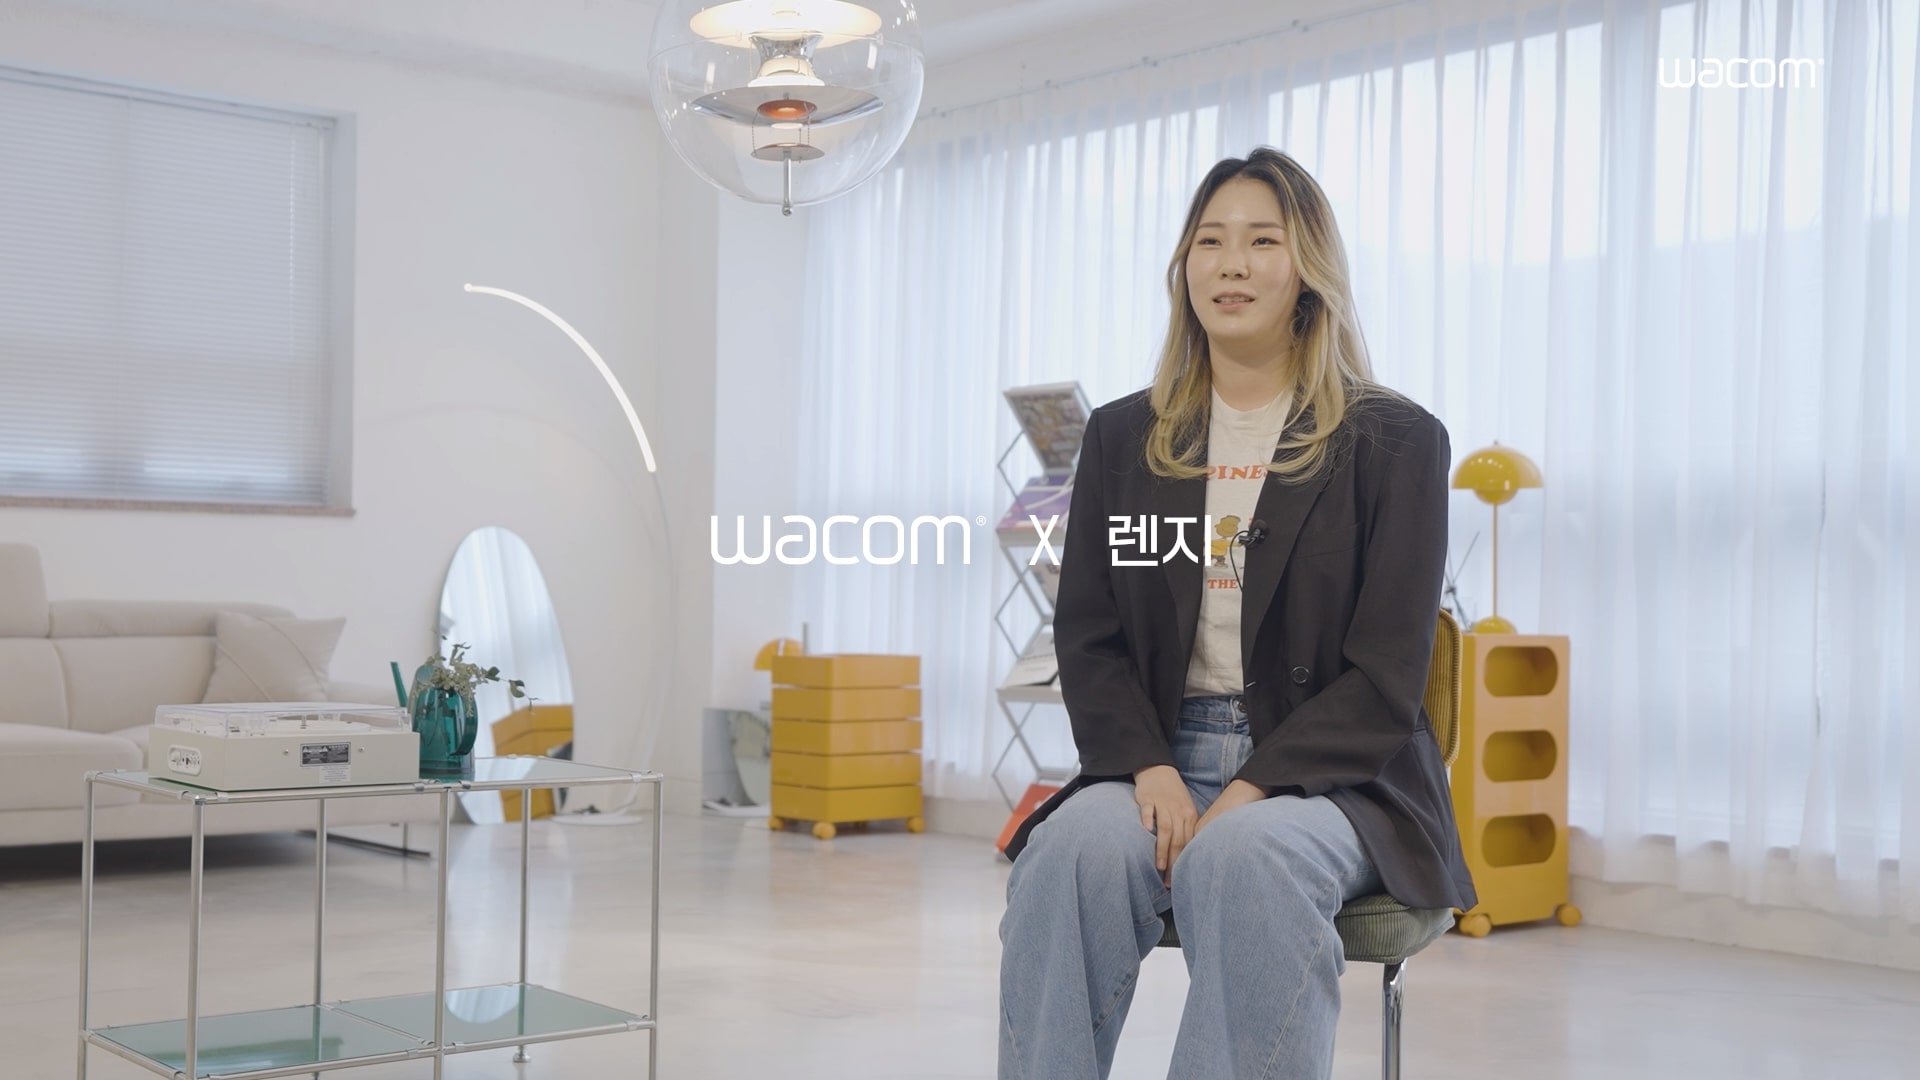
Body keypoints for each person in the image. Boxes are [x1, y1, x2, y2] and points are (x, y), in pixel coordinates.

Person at [997, 147, 1478, 1080]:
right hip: (1157, 759)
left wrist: (1251, 788)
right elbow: (1091, 636)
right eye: (1210, 241)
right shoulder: (1126, 437)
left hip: (1335, 779)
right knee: (1067, 856)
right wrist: (1149, 766)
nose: (1232, 264)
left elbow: (1386, 676)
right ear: (1184, 266)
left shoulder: (1394, 441)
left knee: (1245, 858)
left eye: (1263, 241)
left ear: (1308, 270)